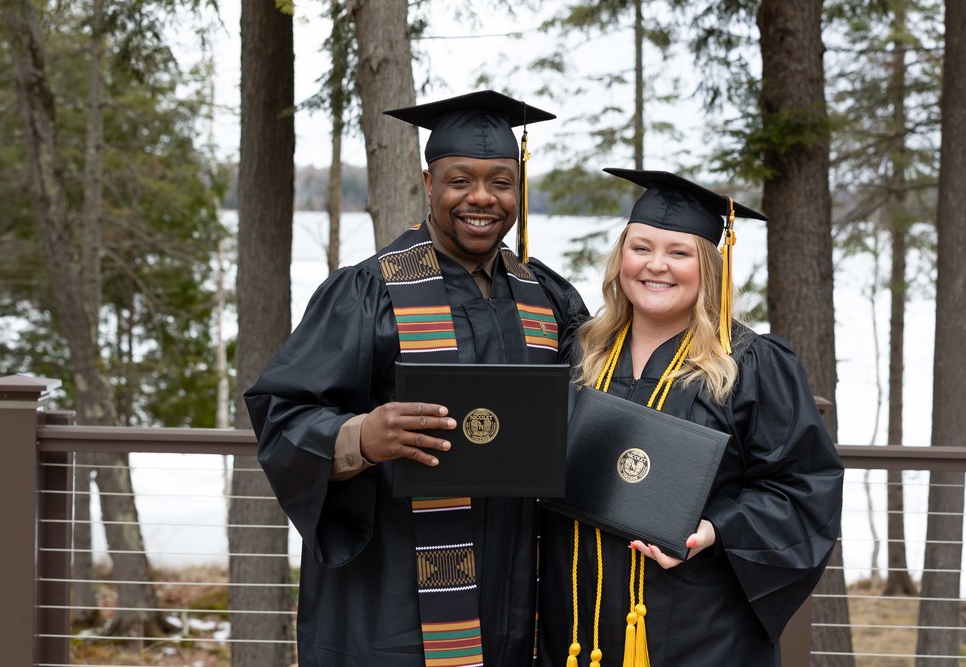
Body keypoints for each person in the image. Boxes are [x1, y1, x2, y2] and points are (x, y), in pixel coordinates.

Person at [244, 90, 588, 666]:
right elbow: (283, 414)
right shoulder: (369, 291)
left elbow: (602, 399)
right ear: (429, 185)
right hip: (397, 592)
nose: (482, 198)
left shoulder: (547, 296)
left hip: (520, 588)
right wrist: (360, 438)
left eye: (501, 182)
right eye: (460, 180)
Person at [537, 169, 844, 666]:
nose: (656, 265)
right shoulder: (582, 351)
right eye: (641, 248)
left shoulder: (748, 364)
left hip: (699, 628)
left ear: (708, 267)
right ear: (621, 260)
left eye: (679, 252)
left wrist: (715, 529)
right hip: (576, 625)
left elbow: (803, 487)